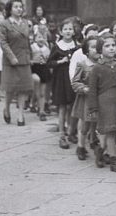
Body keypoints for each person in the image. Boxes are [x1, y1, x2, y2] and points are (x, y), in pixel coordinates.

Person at [88, 33, 116, 173]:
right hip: (105, 104)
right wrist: (93, 108)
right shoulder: (97, 68)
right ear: (100, 49)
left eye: (113, 45)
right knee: (110, 131)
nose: (111, 48)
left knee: (114, 131)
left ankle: (101, 151)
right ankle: (113, 159)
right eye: (107, 46)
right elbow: (92, 90)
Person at [0, 0, 33, 126]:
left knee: (23, 89)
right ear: (10, 9)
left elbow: (27, 42)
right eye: (16, 7)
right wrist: (11, 56)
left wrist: (31, 56)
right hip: (11, 61)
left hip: (24, 59)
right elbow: (3, 42)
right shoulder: (5, 24)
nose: (19, 9)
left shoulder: (25, 23)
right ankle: (6, 108)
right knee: (10, 88)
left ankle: (20, 114)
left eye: (21, 7)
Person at [47, 17, 78, 148]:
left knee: (72, 106)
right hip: (60, 79)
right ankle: (61, 134)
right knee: (62, 107)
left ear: (74, 31)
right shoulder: (57, 46)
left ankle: (71, 131)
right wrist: (60, 61)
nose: (68, 31)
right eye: (65, 29)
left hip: (72, 79)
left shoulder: (77, 46)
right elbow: (49, 63)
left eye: (70, 29)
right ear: (61, 31)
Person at [71, 35, 100, 160]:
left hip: (99, 98)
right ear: (87, 50)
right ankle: (81, 146)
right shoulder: (82, 64)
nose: (96, 50)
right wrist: (84, 88)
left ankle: (94, 142)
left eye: (98, 47)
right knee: (85, 124)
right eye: (93, 47)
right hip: (86, 100)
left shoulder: (102, 64)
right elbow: (75, 82)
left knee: (97, 123)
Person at [30, 32, 51, 120]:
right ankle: (33, 103)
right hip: (34, 69)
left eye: (43, 37)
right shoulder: (32, 47)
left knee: (42, 92)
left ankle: (41, 110)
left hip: (43, 69)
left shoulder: (47, 49)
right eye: (39, 37)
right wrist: (31, 60)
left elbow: (48, 60)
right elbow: (29, 58)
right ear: (35, 39)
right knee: (36, 84)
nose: (41, 39)